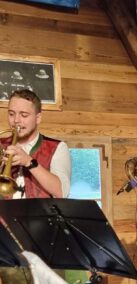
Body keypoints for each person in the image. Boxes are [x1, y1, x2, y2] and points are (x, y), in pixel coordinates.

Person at [0, 89, 71, 283]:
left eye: (24, 115)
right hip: (7, 240)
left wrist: (29, 162)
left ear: (38, 117)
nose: (16, 121)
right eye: (12, 113)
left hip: (46, 239)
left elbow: (61, 190)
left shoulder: (57, 148)